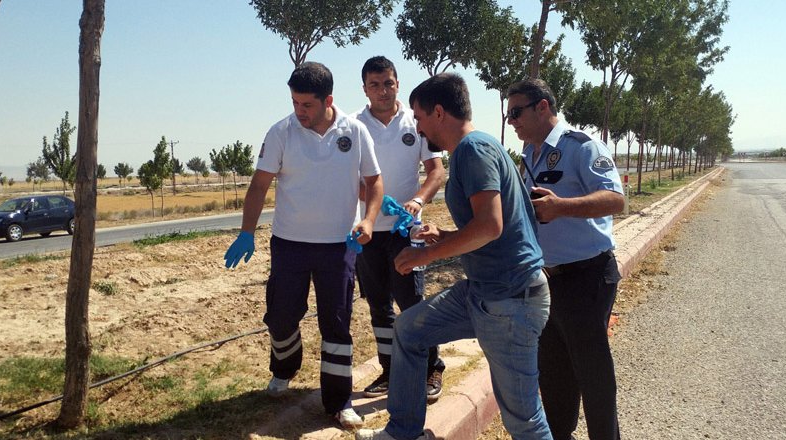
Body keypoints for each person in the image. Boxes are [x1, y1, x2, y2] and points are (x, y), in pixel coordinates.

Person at [356, 73, 552, 440]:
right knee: (409, 330)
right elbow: (493, 228)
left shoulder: (473, 151)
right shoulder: (473, 149)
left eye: (418, 116)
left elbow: (490, 226)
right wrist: (444, 236)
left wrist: (425, 254)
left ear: (439, 113)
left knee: (523, 418)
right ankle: (403, 431)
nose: (416, 124)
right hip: (482, 293)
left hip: (512, 302)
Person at [223, 61, 384, 430]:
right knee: (280, 317)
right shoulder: (282, 132)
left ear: (328, 99)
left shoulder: (355, 132)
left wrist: (370, 220)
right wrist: (247, 231)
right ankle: (284, 368)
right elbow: (259, 185)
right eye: (295, 102)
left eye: (306, 105)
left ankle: (339, 400)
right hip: (289, 245)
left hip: (337, 247)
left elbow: (374, 182)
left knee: (337, 324)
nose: (299, 111)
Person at [505, 78, 625, 440]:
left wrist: (561, 208)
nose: (511, 121)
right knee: (554, 371)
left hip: (586, 277)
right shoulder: (529, 153)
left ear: (543, 107)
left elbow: (615, 200)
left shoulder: (581, 147)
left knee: (592, 372)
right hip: (546, 279)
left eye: (516, 112)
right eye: (508, 114)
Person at [351, 56, 447, 402]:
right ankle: (390, 370)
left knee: (413, 301)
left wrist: (418, 201)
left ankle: (431, 368)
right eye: (374, 85)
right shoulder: (354, 126)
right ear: (365, 88)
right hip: (369, 230)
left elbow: (436, 171)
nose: (382, 91)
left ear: (397, 84)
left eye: (388, 83)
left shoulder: (414, 122)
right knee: (378, 304)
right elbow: (349, 179)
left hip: (407, 230)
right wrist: (375, 203)